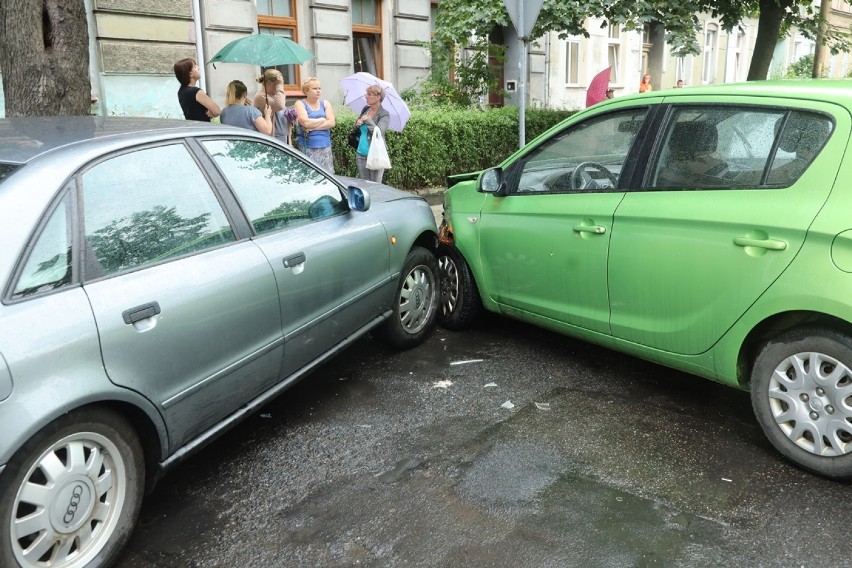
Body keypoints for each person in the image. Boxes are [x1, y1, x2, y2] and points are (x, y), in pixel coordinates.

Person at [294, 77, 336, 173]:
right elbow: (305, 123)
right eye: (314, 88)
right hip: (308, 146)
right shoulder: (300, 104)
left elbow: (332, 122)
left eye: (319, 88)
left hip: (325, 146)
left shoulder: (325, 103)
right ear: (306, 90)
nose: (318, 91)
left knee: (327, 175)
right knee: (309, 174)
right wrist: (322, 119)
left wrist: (312, 127)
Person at [353, 85, 391, 182]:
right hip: (361, 153)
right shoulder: (365, 109)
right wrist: (357, 124)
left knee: (375, 187)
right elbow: (355, 129)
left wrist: (368, 120)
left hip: (375, 154)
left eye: (369, 94)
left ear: (378, 97)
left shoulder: (384, 114)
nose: (366, 97)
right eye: (366, 94)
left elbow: (379, 132)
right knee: (364, 185)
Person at [253, 69, 293, 145]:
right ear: (269, 83)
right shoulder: (260, 96)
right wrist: (280, 86)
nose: (279, 87)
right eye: (276, 84)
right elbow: (279, 105)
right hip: (273, 139)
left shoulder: (275, 96)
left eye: (281, 84)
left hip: (284, 138)